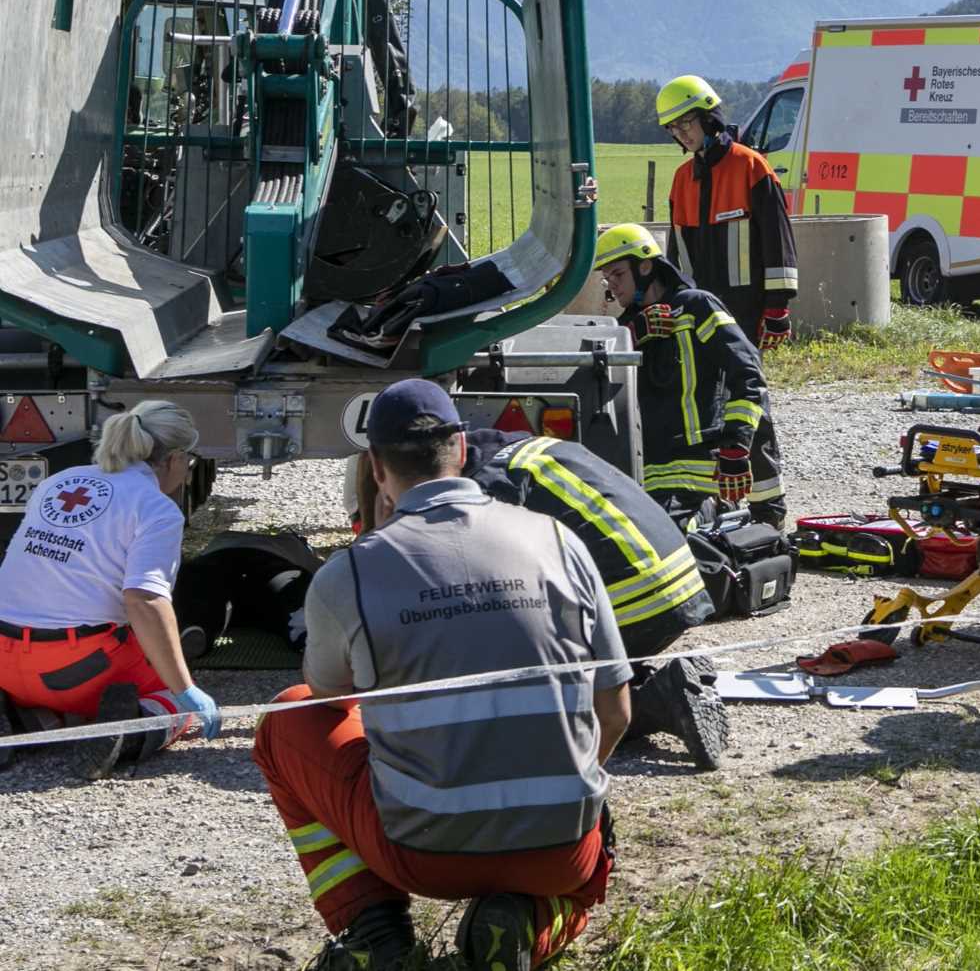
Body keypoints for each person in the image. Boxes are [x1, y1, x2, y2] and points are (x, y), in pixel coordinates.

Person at [253, 379, 630, 971]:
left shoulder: (349, 574)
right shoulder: (558, 540)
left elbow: (327, 697)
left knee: (287, 717)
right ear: (460, 447)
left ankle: (374, 932)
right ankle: (526, 926)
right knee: (582, 875)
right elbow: (617, 711)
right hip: (559, 845)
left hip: (423, 852)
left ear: (376, 467)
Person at [348, 428, 729, 770]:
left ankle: (659, 700)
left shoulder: (484, 491)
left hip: (635, 600)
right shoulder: (510, 450)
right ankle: (634, 678)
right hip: (676, 583)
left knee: (518, 714)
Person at [0, 400, 219, 778]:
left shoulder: (57, 482)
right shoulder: (155, 507)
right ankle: (131, 731)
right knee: (172, 698)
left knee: (56, 675)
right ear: (177, 458)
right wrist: (184, 687)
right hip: (75, 669)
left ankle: (27, 719)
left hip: (4, 659)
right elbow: (144, 599)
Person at [593, 223, 784, 522]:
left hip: (700, 478)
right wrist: (632, 334)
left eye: (618, 274)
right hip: (647, 478)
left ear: (644, 267)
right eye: (607, 279)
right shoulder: (625, 329)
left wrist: (735, 446)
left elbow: (747, 373)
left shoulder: (696, 307)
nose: (612, 285)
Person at [659, 74, 800, 347]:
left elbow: (777, 241)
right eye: (673, 127)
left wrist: (777, 308)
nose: (682, 133)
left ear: (708, 117)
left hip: (746, 311)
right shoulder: (681, 180)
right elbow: (676, 255)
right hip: (697, 311)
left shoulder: (751, 167)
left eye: (686, 122)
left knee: (744, 384)